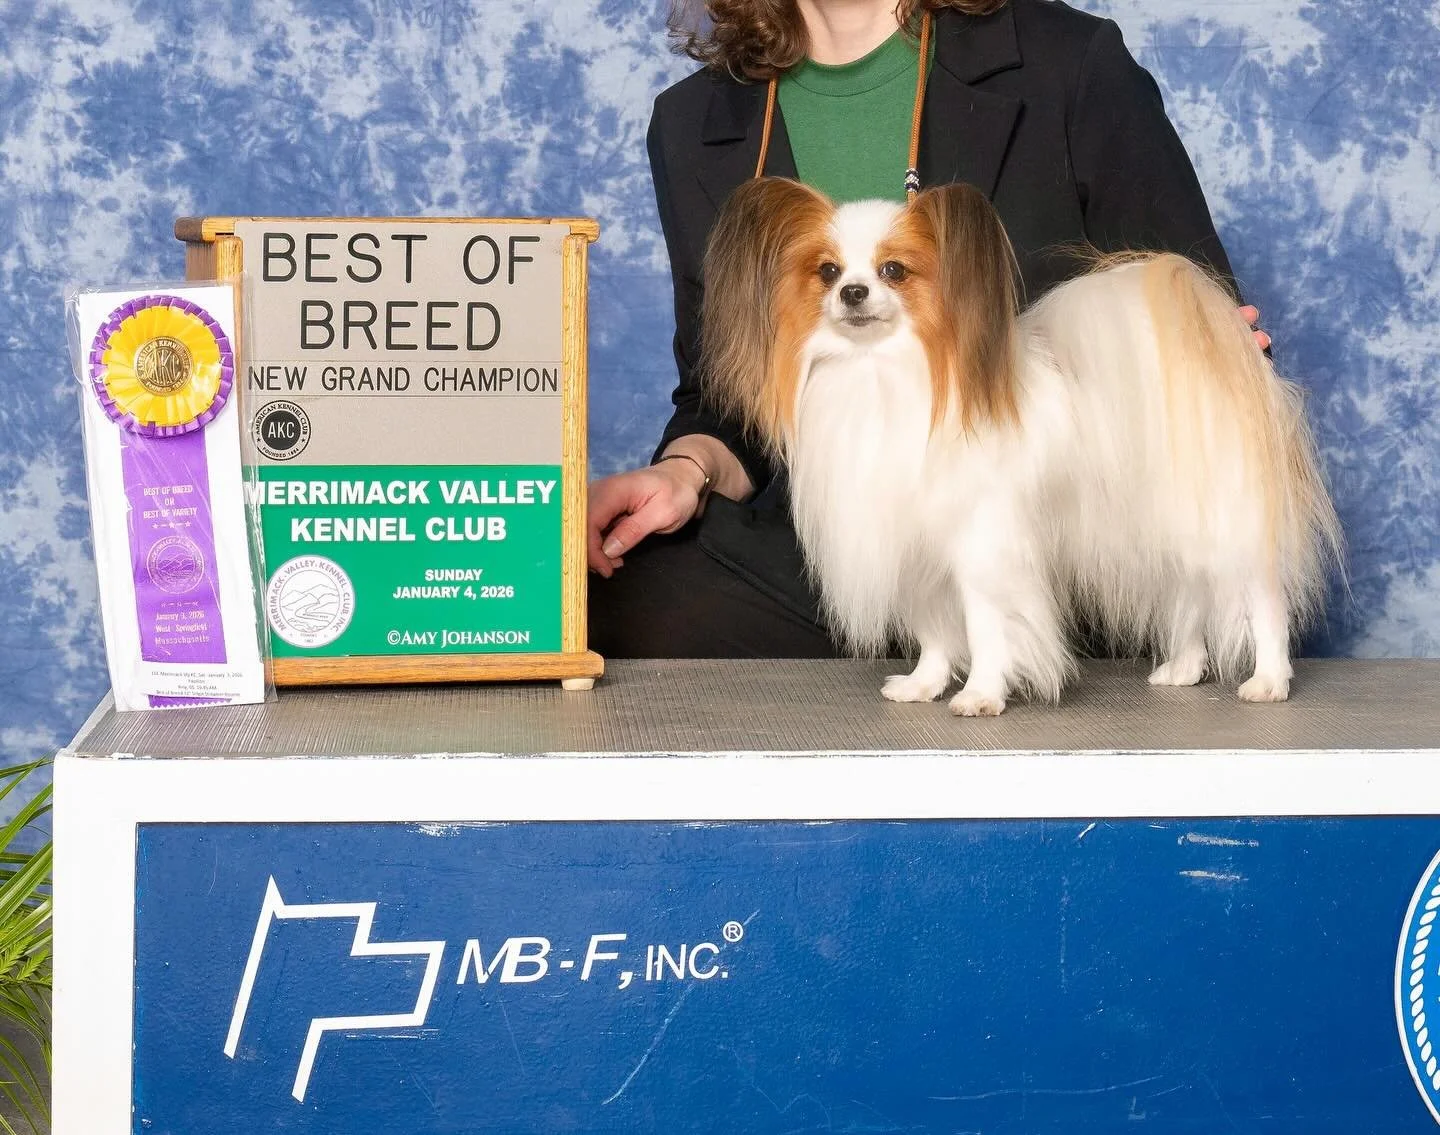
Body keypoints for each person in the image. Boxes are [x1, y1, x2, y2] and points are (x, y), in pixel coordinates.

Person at [588, 0, 1269, 659]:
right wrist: (686, 467)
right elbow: (727, 390)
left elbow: (1186, 306)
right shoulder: (694, 123)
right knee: (611, 590)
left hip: (1050, 536)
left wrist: (1217, 360)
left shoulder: (1068, 60)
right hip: (846, 554)